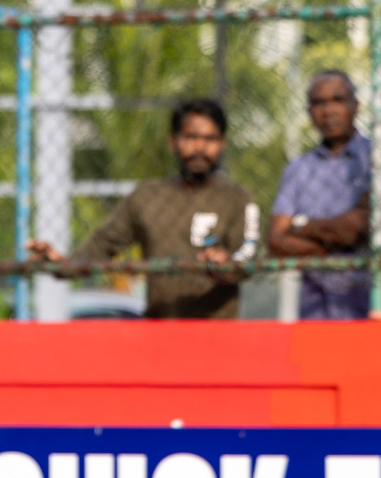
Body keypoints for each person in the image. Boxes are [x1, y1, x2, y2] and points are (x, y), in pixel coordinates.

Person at [28, 98, 259, 319]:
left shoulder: (237, 199)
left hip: (217, 332)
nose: (199, 147)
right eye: (191, 137)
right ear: (173, 142)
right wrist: (60, 264)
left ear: (222, 144)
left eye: (210, 139)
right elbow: (101, 246)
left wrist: (225, 265)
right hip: (158, 329)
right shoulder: (147, 197)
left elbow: (247, 258)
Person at [269, 71, 372, 319]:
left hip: (367, 306)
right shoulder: (298, 169)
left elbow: (357, 227)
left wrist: (300, 225)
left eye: (338, 100)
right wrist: (336, 252)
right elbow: (276, 240)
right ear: (309, 112)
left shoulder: (374, 159)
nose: (329, 111)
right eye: (319, 103)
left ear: (355, 106)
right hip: (314, 310)